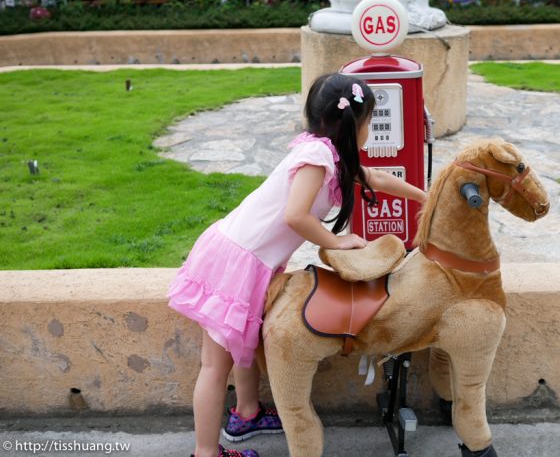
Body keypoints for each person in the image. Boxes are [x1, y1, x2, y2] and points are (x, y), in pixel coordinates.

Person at [167, 73, 428, 457]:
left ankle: (247, 413)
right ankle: (206, 452)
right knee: (214, 365)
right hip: (235, 262)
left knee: (245, 341)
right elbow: (295, 216)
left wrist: (428, 196)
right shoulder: (316, 157)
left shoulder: (329, 155)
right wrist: (336, 240)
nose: (371, 129)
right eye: (370, 121)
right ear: (351, 123)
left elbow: (374, 178)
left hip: (252, 260)